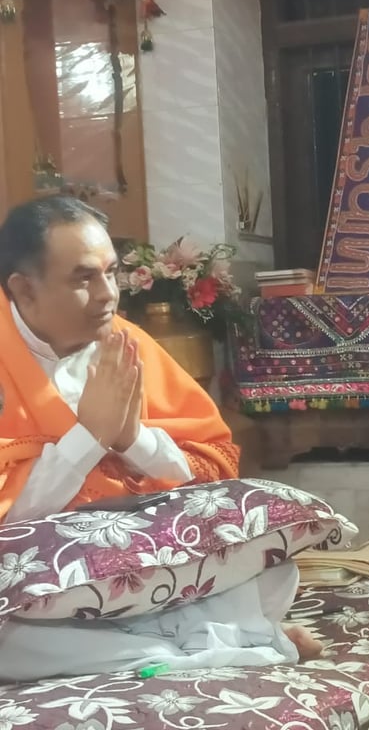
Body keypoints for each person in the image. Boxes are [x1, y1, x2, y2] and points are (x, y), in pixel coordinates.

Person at [0, 196, 320, 677]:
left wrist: (133, 439)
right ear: (24, 291)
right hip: (41, 583)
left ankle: (177, 642)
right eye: (84, 279)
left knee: (274, 566)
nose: (108, 295)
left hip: (138, 565)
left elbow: (209, 472)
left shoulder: (127, 343)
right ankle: (201, 647)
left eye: (111, 273)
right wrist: (88, 438)